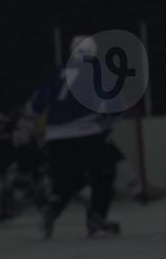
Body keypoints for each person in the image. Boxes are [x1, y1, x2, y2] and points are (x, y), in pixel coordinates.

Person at [24, 35, 121, 239]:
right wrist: (108, 122)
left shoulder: (56, 72)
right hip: (86, 132)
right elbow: (111, 103)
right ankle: (96, 217)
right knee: (105, 172)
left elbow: (35, 105)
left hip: (56, 136)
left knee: (66, 179)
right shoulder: (97, 70)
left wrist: (25, 125)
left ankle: (51, 210)